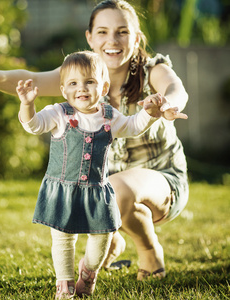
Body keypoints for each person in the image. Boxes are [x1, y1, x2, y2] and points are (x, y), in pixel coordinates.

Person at [0, 0, 189, 282]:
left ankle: (149, 250)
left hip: (161, 181)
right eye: (103, 32)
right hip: (103, 188)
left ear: (136, 37)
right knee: (110, 189)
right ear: (90, 37)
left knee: (117, 187)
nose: (113, 40)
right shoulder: (80, 79)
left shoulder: (152, 70)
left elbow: (175, 88)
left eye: (122, 31)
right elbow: (30, 80)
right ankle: (112, 240)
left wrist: (166, 104)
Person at [16, 50, 186, 299]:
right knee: (63, 241)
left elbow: (133, 126)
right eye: (73, 83)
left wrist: (150, 113)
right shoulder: (59, 113)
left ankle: (89, 270)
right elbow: (33, 125)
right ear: (64, 90)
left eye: (90, 82)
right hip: (62, 189)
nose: (81, 88)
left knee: (102, 236)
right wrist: (27, 104)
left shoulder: (109, 116)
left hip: (97, 190)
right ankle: (64, 286)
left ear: (103, 86)